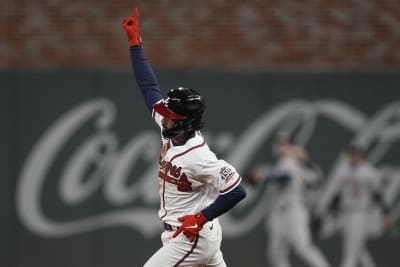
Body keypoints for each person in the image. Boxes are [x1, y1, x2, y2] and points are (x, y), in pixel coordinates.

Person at [122, 8, 246, 267]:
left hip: (191, 237)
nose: (164, 117)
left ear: (186, 122)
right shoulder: (170, 131)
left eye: (171, 116)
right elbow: (148, 88)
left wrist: (200, 218)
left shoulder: (198, 156)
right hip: (191, 234)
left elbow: (237, 191)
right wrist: (136, 45)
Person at [249, 137, 330, 267]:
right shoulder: (283, 163)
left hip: (294, 211)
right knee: (276, 253)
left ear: (292, 146)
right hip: (279, 213)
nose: (281, 147)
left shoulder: (289, 161)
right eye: (280, 144)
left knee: (303, 248)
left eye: (284, 144)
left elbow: (285, 178)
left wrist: (265, 176)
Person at [315, 145, 391, 267]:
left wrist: (385, 213)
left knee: (350, 254)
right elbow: (335, 194)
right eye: (352, 154)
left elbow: (378, 194)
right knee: (358, 250)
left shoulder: (368, 171)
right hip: (345, 213)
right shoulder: (343, 171)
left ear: (361, 155)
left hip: (360, 214)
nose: (354, 156)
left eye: (356, 154)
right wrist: (325, 211)